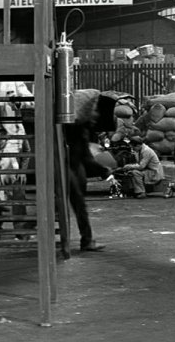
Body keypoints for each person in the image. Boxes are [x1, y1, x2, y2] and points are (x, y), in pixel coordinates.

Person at [65, 90, 118, 252]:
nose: (96, 115)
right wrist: (105, 171)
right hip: (68, 167)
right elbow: (86, 157)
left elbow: (86, 157)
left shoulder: (79, 127)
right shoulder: (77, 128)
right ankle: (85, 240)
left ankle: (86, 239)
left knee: (79, 204)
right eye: (93, 111)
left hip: (74, 167)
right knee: (79, 204)